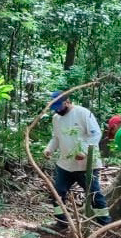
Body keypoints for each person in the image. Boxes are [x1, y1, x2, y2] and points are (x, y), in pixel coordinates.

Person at [43, 91, 111, 230]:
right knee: (57, 193)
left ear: (67, 102)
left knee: (94, 195)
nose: (57, 110)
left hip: (86, 165)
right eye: (54, 107)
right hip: (65, 164)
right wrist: (49, 149)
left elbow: (95, 134)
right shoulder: (56, 118)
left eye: (59, 106)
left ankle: (105, 225)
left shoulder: (83, 113)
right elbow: (56, 137)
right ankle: (61, 222)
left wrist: (84, 151)